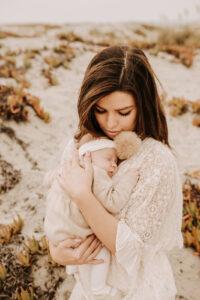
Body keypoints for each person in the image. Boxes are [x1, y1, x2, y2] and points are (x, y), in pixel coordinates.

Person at [47, 45, 183, 300]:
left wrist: (83, 195)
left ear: (143, 106)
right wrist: (56, 251)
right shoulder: (81, 145)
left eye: (124, 113)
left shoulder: (157, 160)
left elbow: (130, 249)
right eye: (100, 110)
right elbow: (58, 208)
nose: (111, 124)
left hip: (135, 289)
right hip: (89, 286)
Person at [44, 131, 140, 297]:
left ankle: (74, 267)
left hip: (53, 231)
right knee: (100, 253)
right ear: (89, 157)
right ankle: (98, 288)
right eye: (109, 159)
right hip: (75, 233)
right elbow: (114, 202)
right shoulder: (96, 173)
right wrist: (129, 180)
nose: (114, 165)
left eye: (116, 162)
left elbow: (47, 180)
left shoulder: (68, 168)